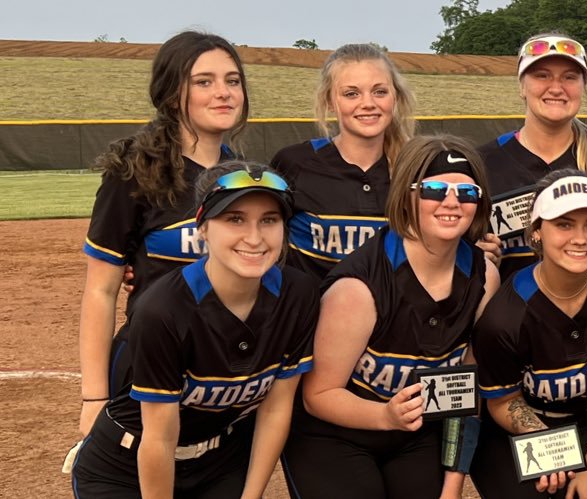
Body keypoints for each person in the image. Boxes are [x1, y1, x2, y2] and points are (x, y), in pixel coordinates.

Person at [71, 162, 315, 498]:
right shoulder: (163, 310)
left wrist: (251, 495)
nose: (255, 237)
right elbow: (159, 438)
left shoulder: (298, 296)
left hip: (219, 466)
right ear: (202, 226)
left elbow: (276, 407)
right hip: (127, 467)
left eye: (269, 220)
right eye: (235, 219)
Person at [282, 135, 501, 499]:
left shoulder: (484, 277)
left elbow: (465, 394)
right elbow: (318, 395)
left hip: (415, 434)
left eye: (466, 192)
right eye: (433, 189)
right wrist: (385, 416)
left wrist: (452, 487)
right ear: (407, 194)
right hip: (335, 433)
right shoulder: (358, 289)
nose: (451, 202)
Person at [77, 30, 249, 439]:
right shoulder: (134, 170)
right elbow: (101, 290)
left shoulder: (243, 175)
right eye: (203, 81)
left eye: (233, 80)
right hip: (148, 363)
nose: (223, 92)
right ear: (173, 94)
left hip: (222, 375)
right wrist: (93, 399)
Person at [469, 170, 587, 498]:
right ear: (536, 231)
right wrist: (552, 450)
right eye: (564, 224)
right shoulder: (504, 318)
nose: (580, 238)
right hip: (518, 429)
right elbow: (504, 401)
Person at [476, 33, 587, 279]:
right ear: (521, 85)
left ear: (583, 85)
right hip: (511, 313)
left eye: (569, 77)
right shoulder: (481, 164)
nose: (556, 87)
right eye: (542, 75)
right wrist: (476, 257)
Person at [270, 42, 416, 279]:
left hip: (394, 314)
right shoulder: (294, 163)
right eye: (351, 93)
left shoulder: (418, 168)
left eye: (380, 91)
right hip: (311, 312)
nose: (368, 103)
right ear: (329, 100)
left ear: (395, 97)